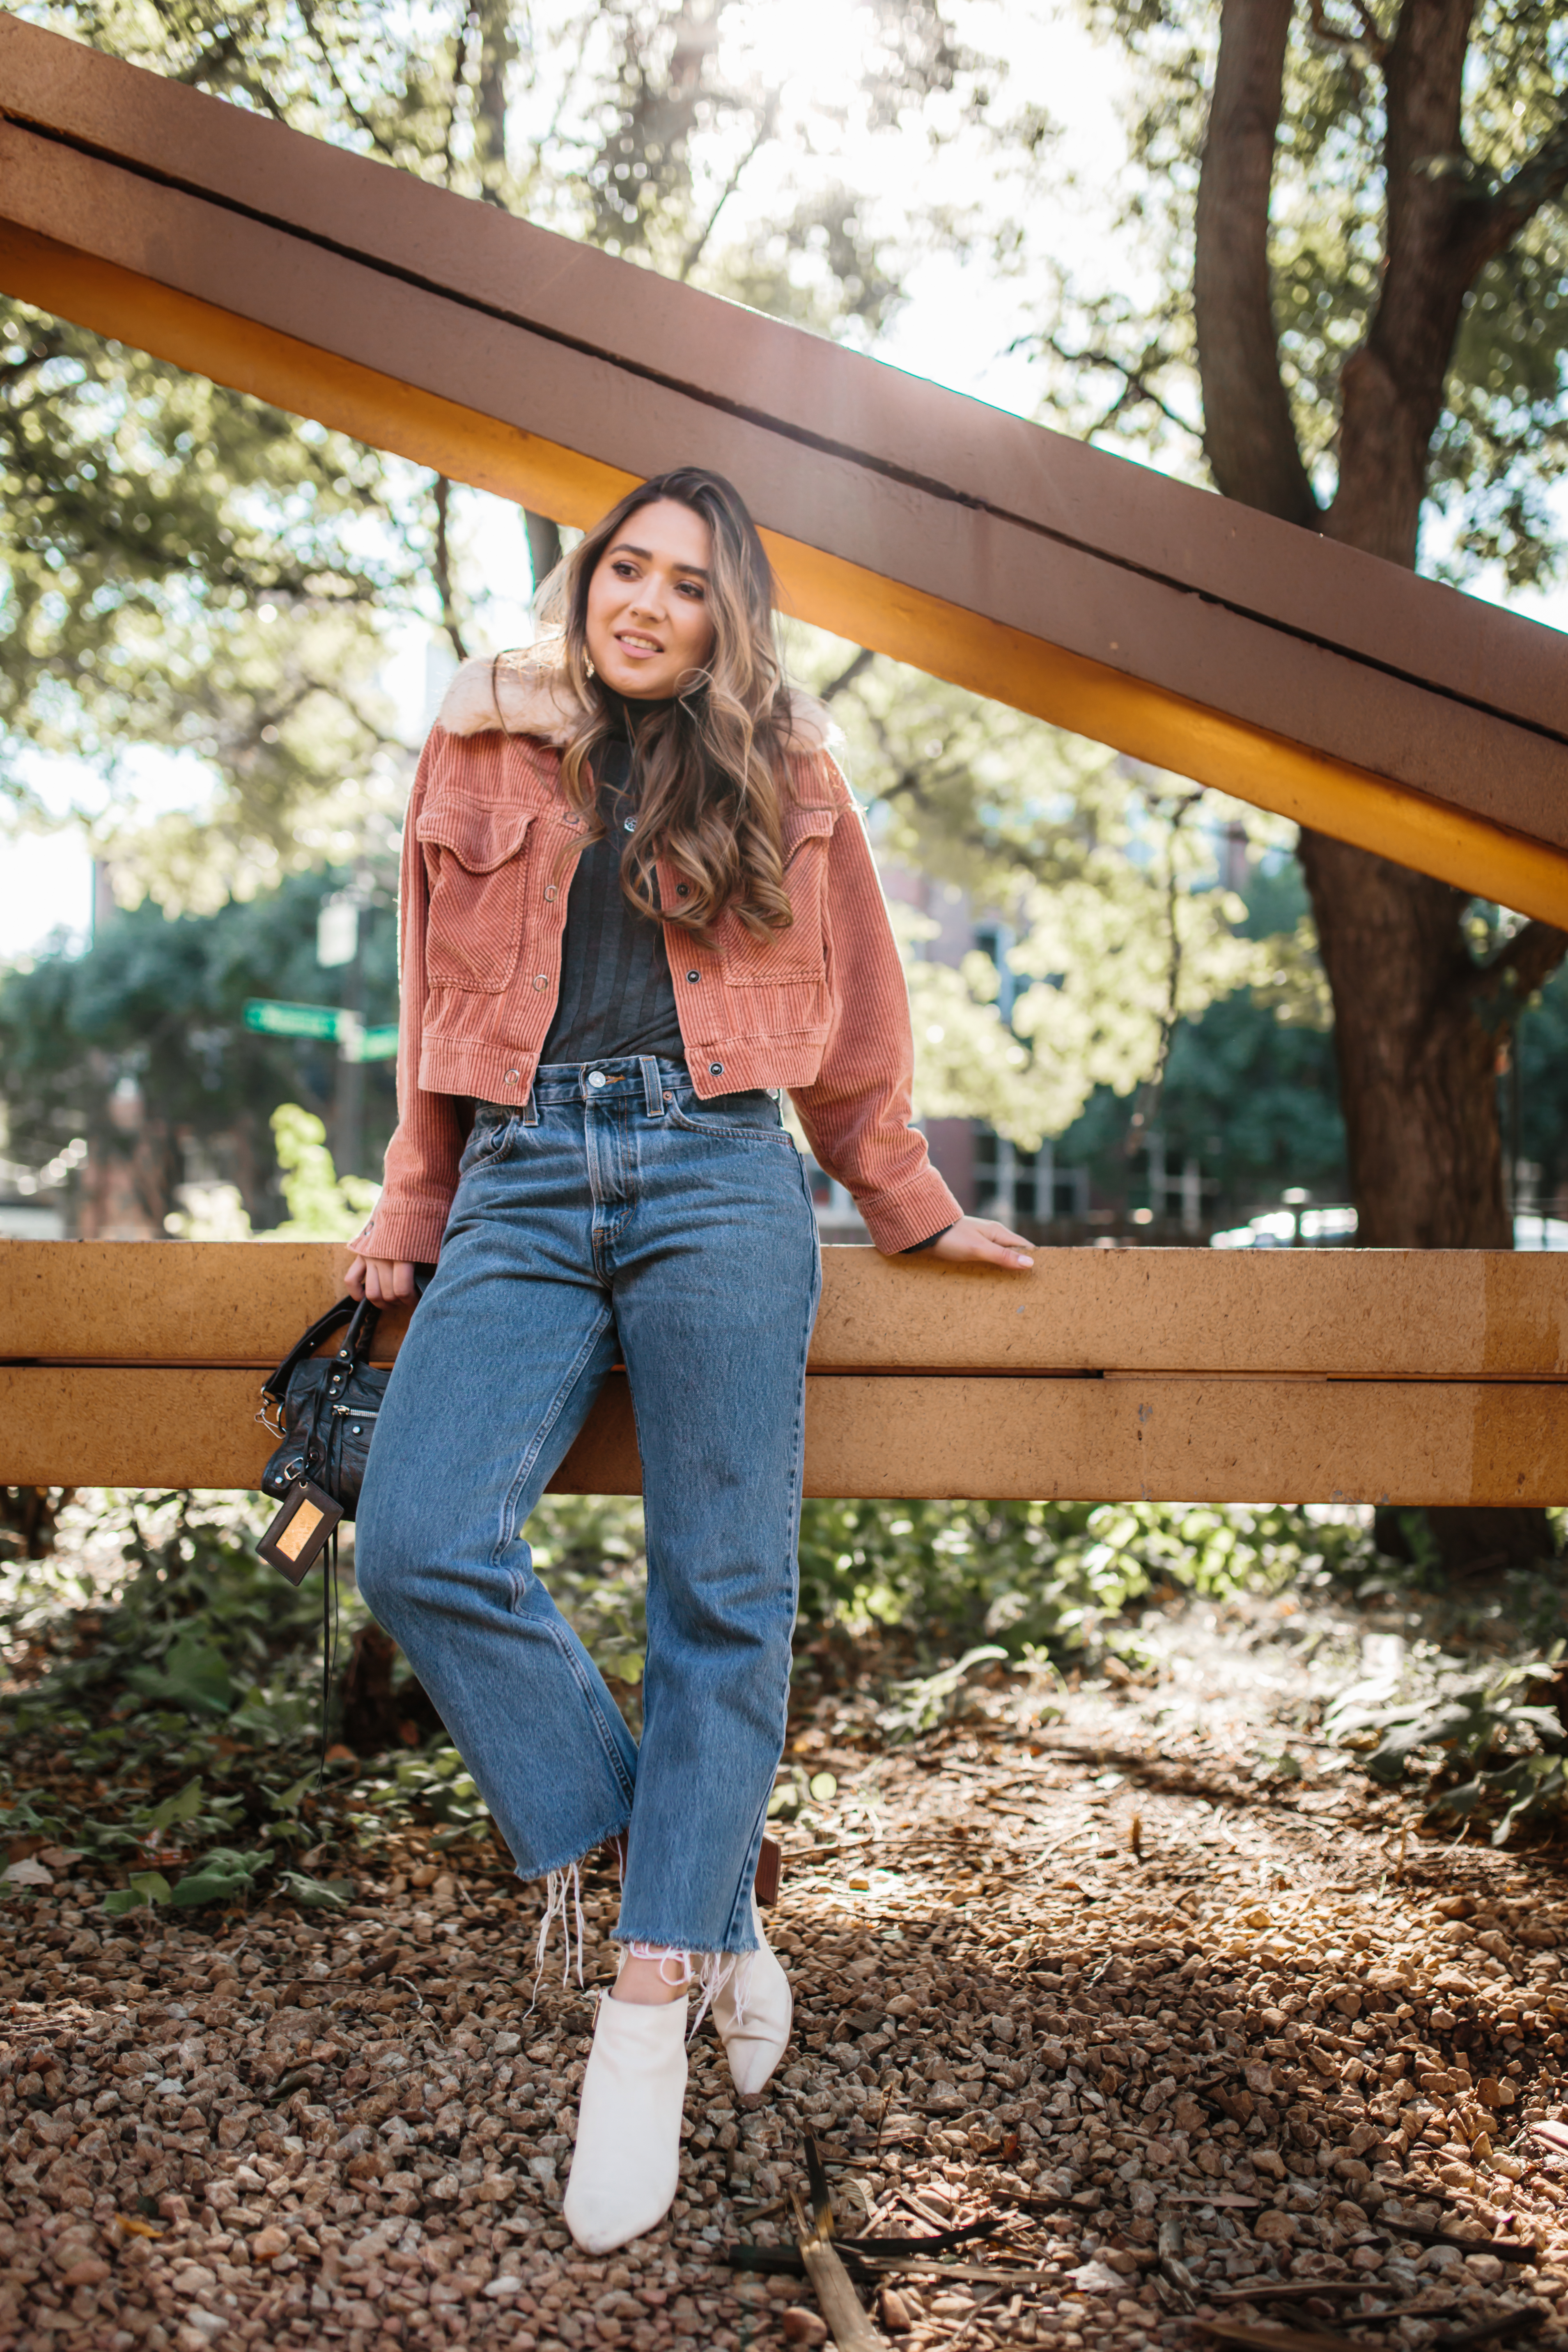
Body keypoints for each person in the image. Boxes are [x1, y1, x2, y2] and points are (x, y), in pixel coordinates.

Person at [347, 466, 1033, 2253]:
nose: (642, 602)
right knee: (417, 1535)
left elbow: (862, 1004)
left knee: (722, 1597)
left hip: (721, 1170)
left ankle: (647, 2001)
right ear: (588, 582)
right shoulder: (484, 738)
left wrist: (902, 1192)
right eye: (622, 568)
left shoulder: (789, 767)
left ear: (730, 618)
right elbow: (431, 994)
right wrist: (412, 1203)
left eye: (685, 585)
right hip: (517, 1170)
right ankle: (706, 1875)